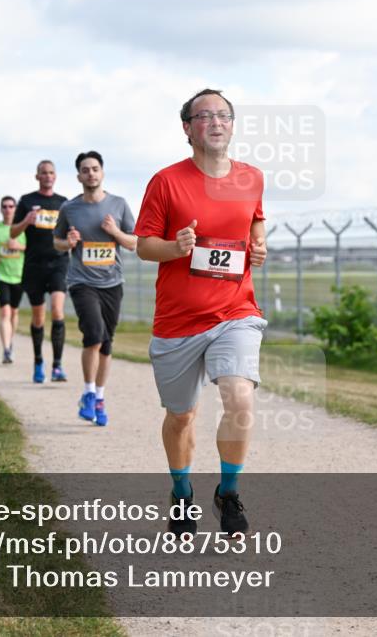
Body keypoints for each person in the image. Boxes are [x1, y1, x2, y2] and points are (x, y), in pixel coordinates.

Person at [135, 89, 268, 538]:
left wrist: (259, 244)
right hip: (178, 322)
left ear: (232, 125)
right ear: (187, 128)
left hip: (236, 312)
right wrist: (176, 248)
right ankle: (181, 491)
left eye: (223, 115)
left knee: (240, 398)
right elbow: (144, 246)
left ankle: (228, 493)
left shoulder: (252, 177)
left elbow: (255, 220)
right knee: (181, 417)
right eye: (204, 116)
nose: (215, 122)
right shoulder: (166, 182)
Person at [54, 151, 136, 427]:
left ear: (102, 173)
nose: (91, 173)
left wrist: (115, 232)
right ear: (79, 176)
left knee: (106, 341)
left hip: (112, 282)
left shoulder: (119, 204)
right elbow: (57, 242)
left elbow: (134, 242)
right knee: (94, 334)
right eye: (85, 170)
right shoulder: (69, 208)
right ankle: (88, 392)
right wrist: (68, 242)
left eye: (95, 169)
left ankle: (100, 397)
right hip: (82, 281)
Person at [10, 160, 70, 383]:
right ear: (37, 177)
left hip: (58, 262)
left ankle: (57, 366)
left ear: (56, 176)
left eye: (51, 172)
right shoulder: (27, 201)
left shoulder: (63, 203)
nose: (47, 176)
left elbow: (70, 230)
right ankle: (38, 362)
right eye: (43, 173)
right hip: (34, 265)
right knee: (38, 317)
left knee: (57, 310)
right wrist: (26, 221)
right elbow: (13, 233)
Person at [0, 196, 27, 363]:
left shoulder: (22, 228)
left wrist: (18, 246)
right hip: (0, 275)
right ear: (0, 209)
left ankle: (10, 340)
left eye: (11, 206)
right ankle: (6, 349)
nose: (8, 209)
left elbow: (32, 247)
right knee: (5, 312)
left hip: (19, 275)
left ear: (15, 209)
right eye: (5, 206)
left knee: (14, 312)